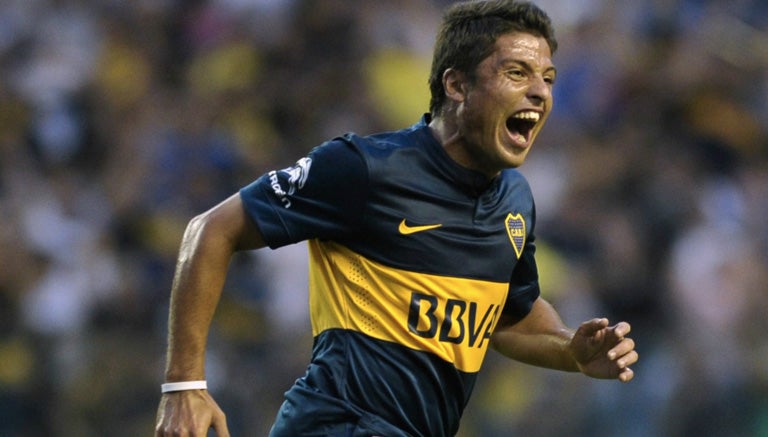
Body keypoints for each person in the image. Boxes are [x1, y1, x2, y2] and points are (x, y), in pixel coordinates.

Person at [154, 1, 639, 436]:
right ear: (456, 85)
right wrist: (184, 384)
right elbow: (211, 230)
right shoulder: (365, 168)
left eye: (548, 78)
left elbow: (509, 318)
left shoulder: (514, 199)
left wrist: (571, 351)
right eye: (517, 72)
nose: (540, 92)